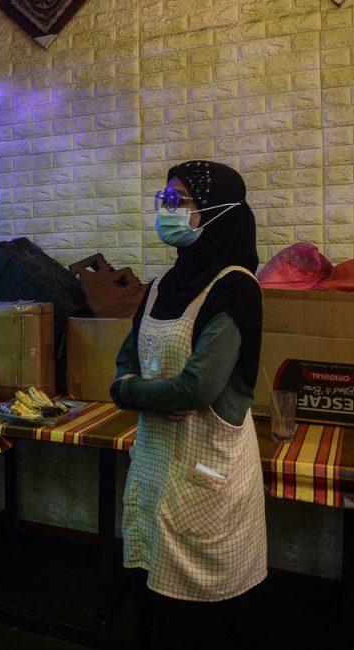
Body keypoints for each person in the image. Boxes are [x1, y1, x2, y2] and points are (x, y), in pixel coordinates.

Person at [111, 160, 267, 649]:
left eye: (180, 201)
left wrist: (133, 391)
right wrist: (132, 390)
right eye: (165, 199)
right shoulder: (159, 286)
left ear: (217, 213)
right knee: (152, 600)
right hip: (156, 463)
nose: (166, 209)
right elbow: (122, 364)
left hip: (209, 471)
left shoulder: (235, 288)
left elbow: (197, 388)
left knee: (202, 619)